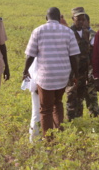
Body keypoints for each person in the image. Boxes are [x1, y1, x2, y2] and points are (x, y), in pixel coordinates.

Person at [23, 7, 80, 141]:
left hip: (46, 76)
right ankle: (59, 131)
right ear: (60, 17)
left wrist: (25, 71)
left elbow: (30, 55)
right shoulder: (68, 32)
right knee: (58, 102)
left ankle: (48, 140)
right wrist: (75, 74)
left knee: (45, 109)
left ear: (46, 17)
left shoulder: (38, 31)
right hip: (62, 75)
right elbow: (74, 56)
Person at [65, 7, 90, 121]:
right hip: (71, 72)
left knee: (80, 97)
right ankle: (70, 120)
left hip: (84, 71)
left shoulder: (87, 33)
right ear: (72, 19)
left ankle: (79, 120)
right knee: (71, 96)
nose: (81, 21)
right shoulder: (68, 33)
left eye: (82, 19)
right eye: (78, 19)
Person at [83, 14, 99, 117]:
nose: (82, 22)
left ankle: (96, 119)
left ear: (88, 22)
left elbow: (96, 56)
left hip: (91, 72)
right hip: (79, 72)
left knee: (91, 98)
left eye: (84, 20)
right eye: (79, 20)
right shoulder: (74, 34)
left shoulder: (94, 36)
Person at [21, 58, 40, 143]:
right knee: (37, 112)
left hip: (41, 81)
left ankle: (35, 140)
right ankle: (34, 141)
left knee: (39, 112)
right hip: (39, 81)